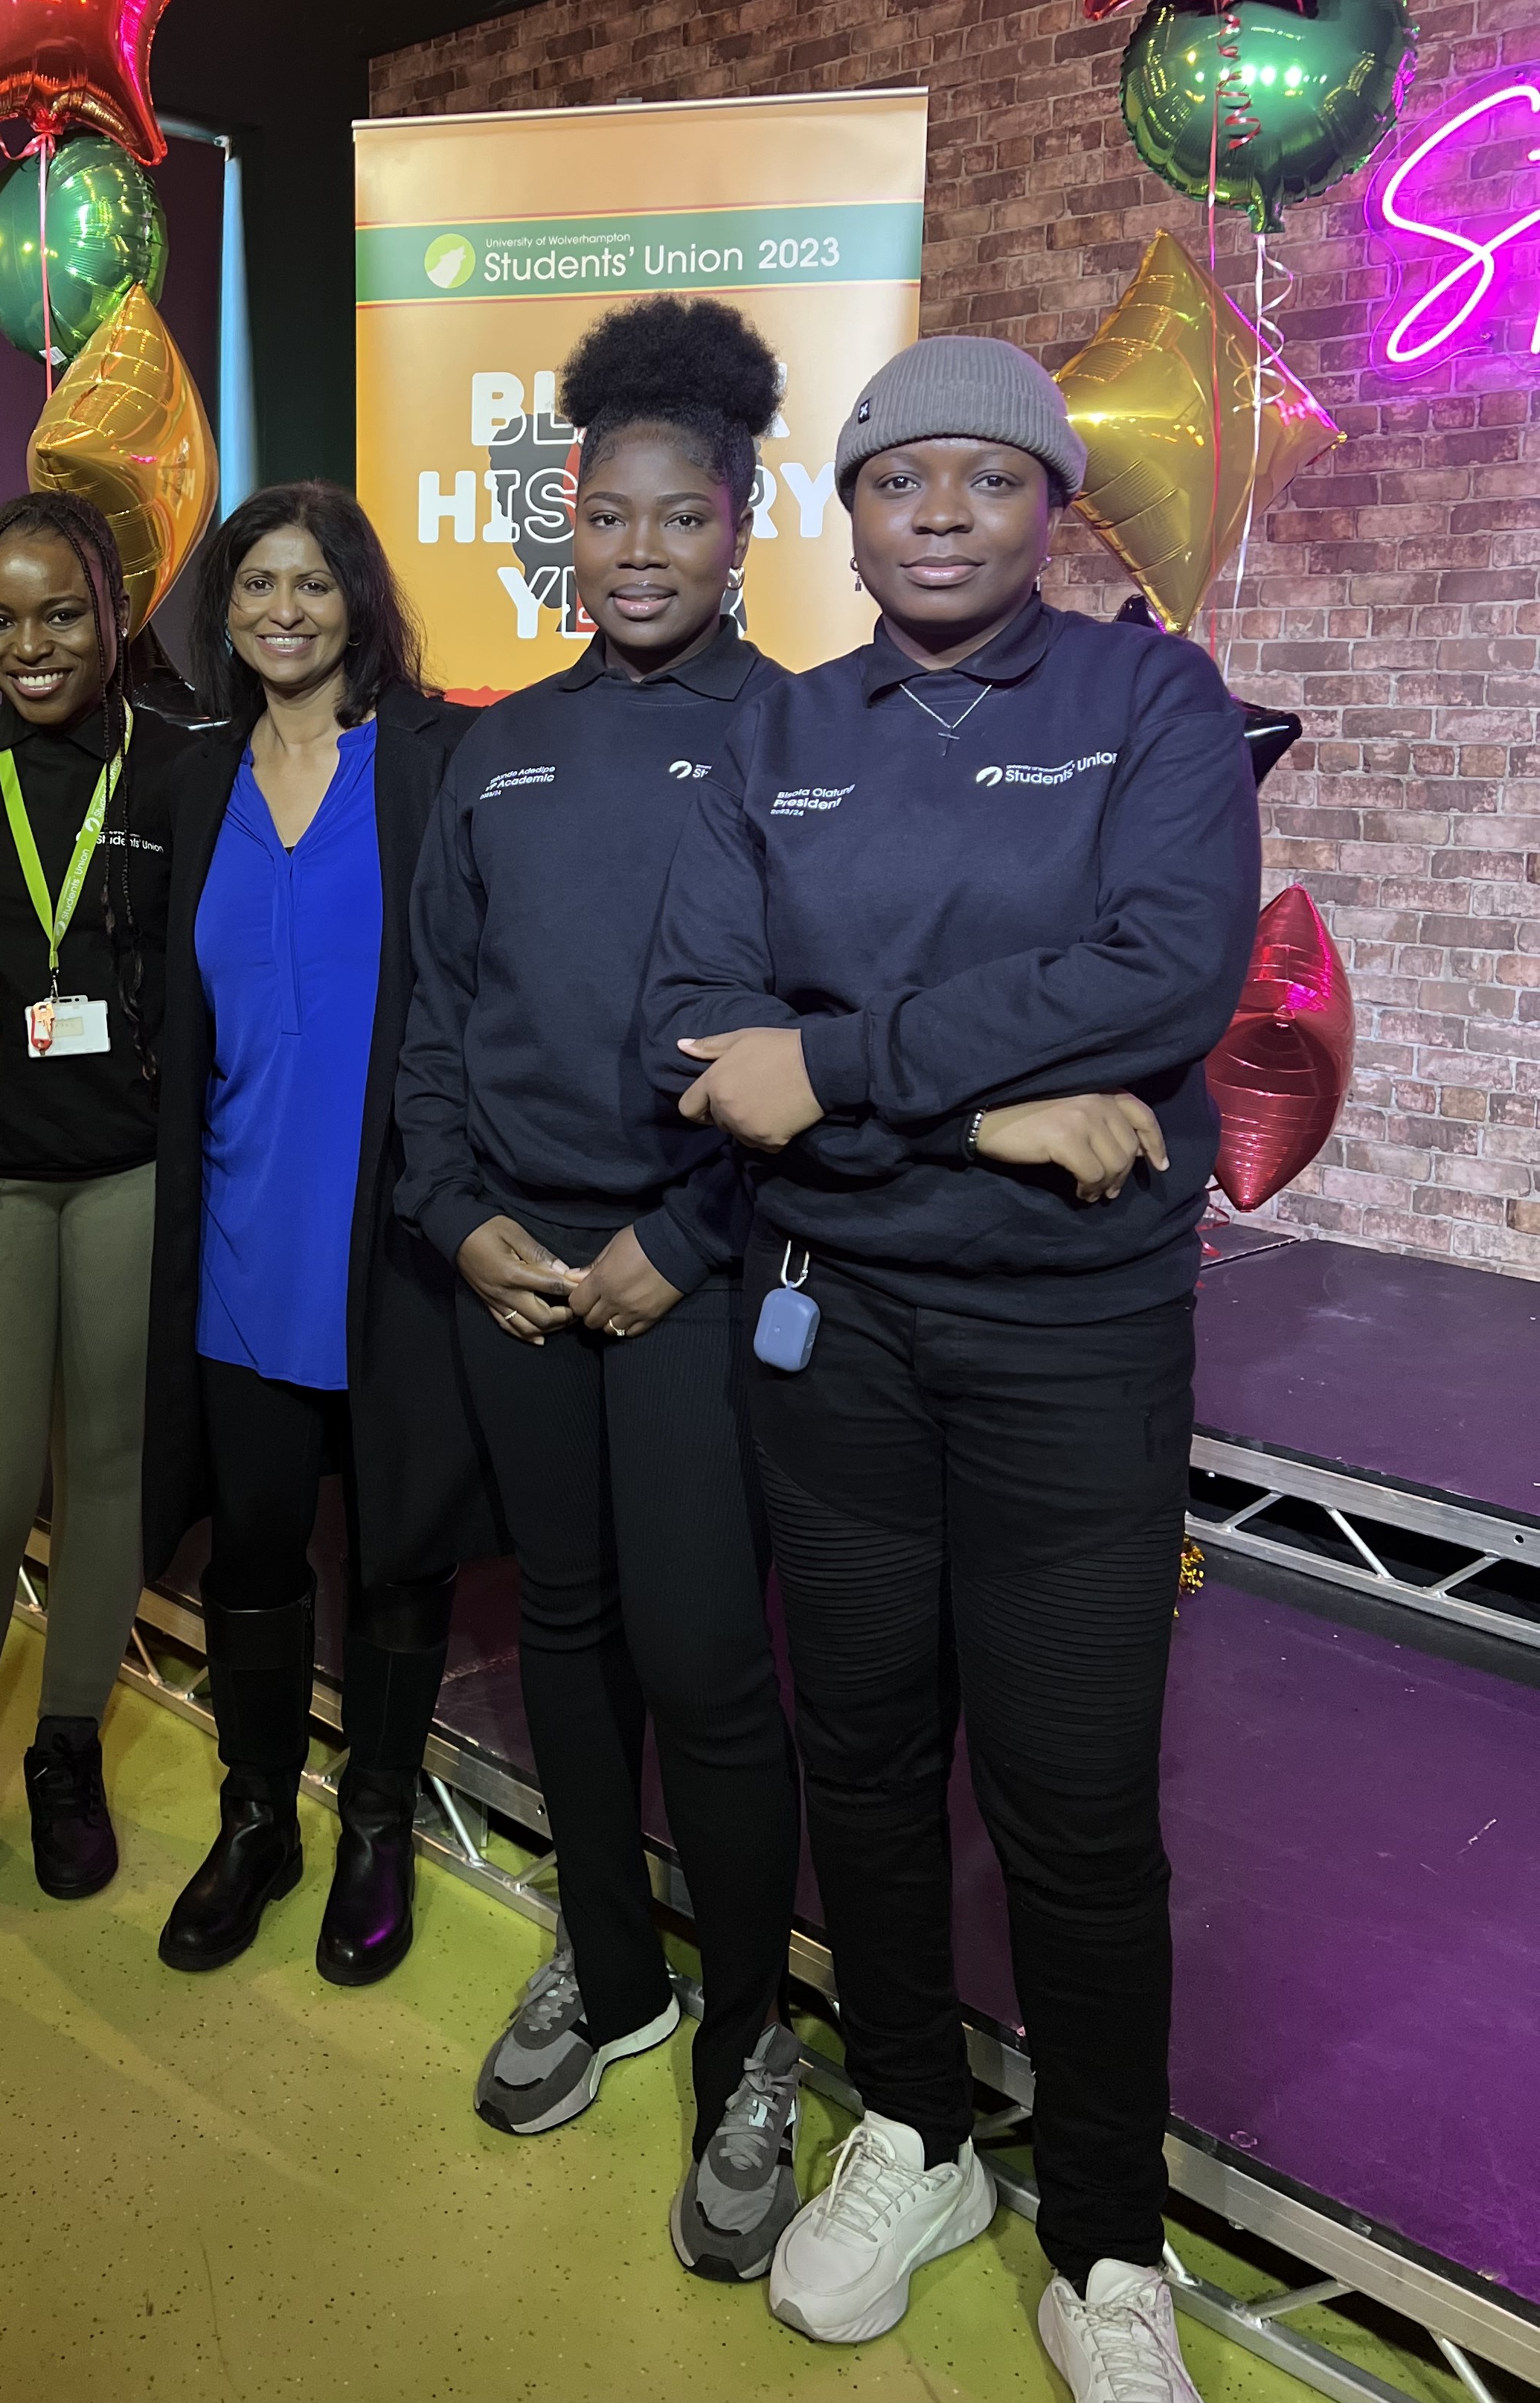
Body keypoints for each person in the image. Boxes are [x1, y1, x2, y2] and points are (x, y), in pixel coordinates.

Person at [645, 337, 1260, 2402]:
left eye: (988, 477)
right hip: (831, 1320)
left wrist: (840, 1065)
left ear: (1052, 507)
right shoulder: (784, 728)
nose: (937, 510)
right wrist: (979, 1109)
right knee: (871, 1749)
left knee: (1077, 1799)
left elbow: (1160, 969)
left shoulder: (1145, 701)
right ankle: (912, 2126)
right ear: (848, 506)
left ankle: (1105, 2230)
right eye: (899, 475)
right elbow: (706, 1017)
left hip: (1072, 1333)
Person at [396, 296, 806, 2283]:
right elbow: (440, 1022)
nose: (642, 550)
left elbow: (831, 1041)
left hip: (693, 1268)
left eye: (683, 518)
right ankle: (618, 1966)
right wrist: (455, 1212)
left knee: (709, 1661)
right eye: (610, 516)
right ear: (574, 522)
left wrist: (683, 1243)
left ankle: (750, 2044)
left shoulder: (801, 740)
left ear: (742, 523)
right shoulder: (503, 749)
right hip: (516, 1268)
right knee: (562, 1625)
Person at [143, 481, 489, 1987]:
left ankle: (372, 1825)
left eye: (312, 584)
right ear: (225, 610)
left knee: (401, 1553)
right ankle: (254, 1819)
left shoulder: (433, 758)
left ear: (360, 598)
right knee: (261, 1550)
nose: (282, 611)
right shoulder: (193, 773)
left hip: (397, 1239)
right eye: (254, 585)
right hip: (238, 1229)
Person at [0, 493, 199, 1924]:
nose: (30, 646)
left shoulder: (183, 763)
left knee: (112, 1478)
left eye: (61, 614)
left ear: (117, 616)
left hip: (130, 1175)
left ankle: (67, 1743)